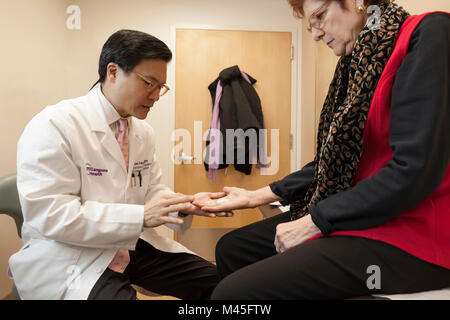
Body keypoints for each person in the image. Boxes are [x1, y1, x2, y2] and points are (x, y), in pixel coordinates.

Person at [195, 0, 450, 299]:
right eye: (310, 25)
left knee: (232, 295)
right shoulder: (358, 65)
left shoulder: (430, 32)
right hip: (364, 216)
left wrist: (316, 220)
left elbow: (415, 170)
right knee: (232, 249)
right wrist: (255, 196)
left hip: (415, 234)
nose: (315, 34)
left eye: (320, 16)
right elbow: (330, 162)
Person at [8, 29, 230, 300]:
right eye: (149, 83)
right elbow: (52, 216)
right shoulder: (55, 125)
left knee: (224, 284)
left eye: (161, 87)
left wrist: (184, 204)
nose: (156, 96)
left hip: (128, 245)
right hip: (71, 256)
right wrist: (140, 216)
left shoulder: (142, 133)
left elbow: (150, 190)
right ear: (112, 72)